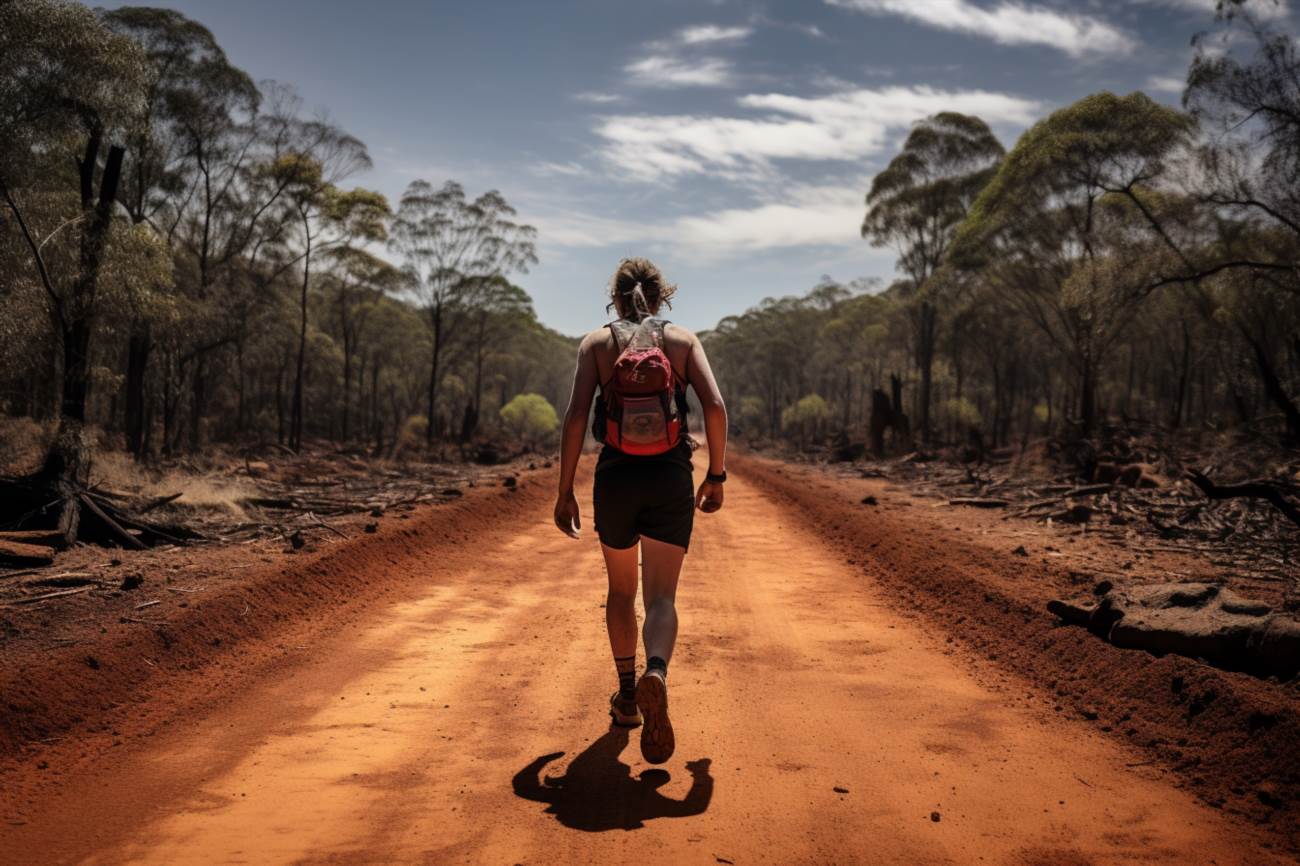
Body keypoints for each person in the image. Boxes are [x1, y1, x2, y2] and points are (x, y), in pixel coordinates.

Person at [554, 257, 728, 765]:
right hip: (670, 476)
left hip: (615, 479)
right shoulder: (681, 340)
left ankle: (628, 697)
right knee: (661, 596)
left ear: (616, 297)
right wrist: (715, 474)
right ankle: (657, 669)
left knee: (621, 590)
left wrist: (565, 490)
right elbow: (715, 408)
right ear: (661, 298)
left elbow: (574, 419)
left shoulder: (596, 344)